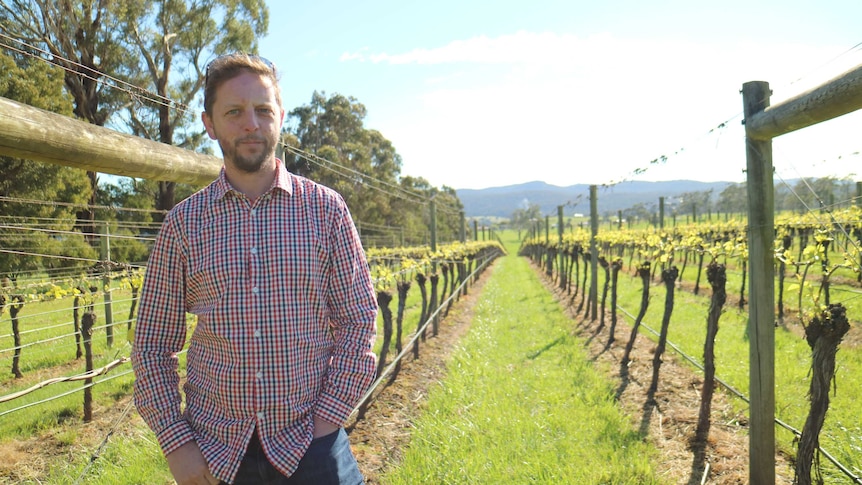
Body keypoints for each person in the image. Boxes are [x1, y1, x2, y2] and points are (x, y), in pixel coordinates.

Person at [131, 53, 378, 485]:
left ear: (280, 117)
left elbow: (359, 320)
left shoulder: (326, 210)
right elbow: (152, 345)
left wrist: (327, 420)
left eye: (263, 110)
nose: (251, 123)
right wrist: (177, 445)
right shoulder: (184, 224)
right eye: (234, 112)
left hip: (313, 446)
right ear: (209, 123)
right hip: (216, 456)